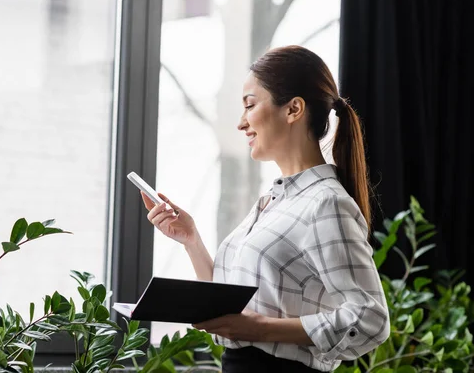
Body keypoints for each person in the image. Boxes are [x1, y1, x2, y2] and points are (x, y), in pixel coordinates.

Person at [142, 45, 390, 372]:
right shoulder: (272, 203)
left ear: (294, 109)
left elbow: (370, 318)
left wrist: (262, 329)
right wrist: (192, 241)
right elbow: (230, 315)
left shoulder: (325, 203)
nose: (241, 123)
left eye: (250, 105)